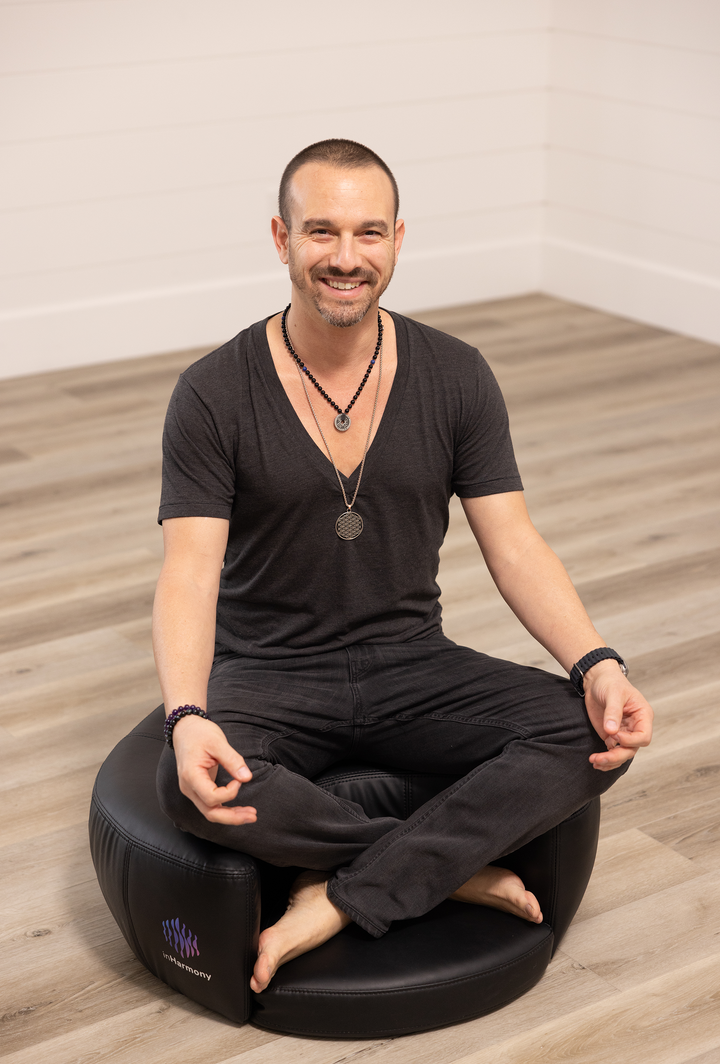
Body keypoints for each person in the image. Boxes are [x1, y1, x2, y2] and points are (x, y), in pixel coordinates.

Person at [154, 139, 653, 995]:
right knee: (182, 784)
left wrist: (597, 661)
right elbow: (188, 573)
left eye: (368, 233)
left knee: (589, 733)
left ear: (397, 239)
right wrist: (189, 714)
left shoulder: (456, 376)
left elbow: (516, 543)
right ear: (280, 239)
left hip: (411, 660)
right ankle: (444, 871)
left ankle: (346, 894)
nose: (346, 258)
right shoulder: (213, 393)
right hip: (271, 670)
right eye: (321, 232)